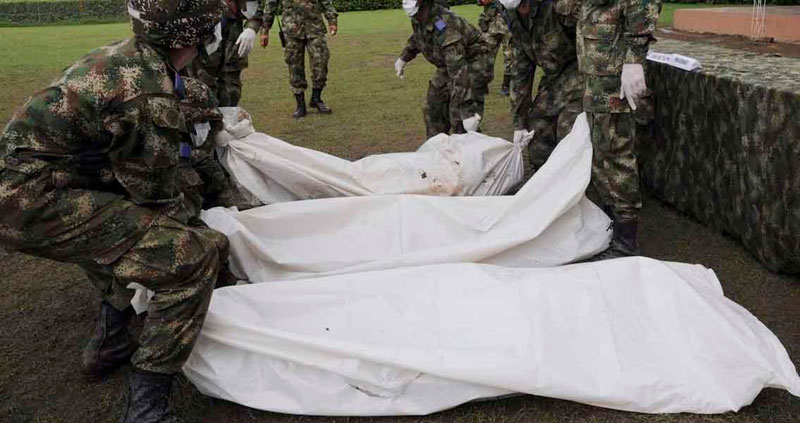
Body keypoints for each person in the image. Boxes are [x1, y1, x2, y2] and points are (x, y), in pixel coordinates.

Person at [0, 1, 232, 422]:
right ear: (191, 37)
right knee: (192, 257)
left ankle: (111, 343)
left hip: (38, 185)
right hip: (29, 200)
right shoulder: (149, 94)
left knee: (122, 237)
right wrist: (211, 242)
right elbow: (156, 198)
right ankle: (146, 410)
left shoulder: (127, 56)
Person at [576, 0, 660, 257]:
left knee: (616, 155)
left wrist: (634, 58)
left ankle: (626, 242)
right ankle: (612, 222)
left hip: (614, 80)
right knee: (601, 154)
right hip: (595, 78)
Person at [499, 0, 584, 173]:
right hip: (554, 78)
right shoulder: (511, 14)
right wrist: (519, 123)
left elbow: (593, 31)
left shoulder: (558, 5)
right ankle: (546, 179)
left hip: (580, 73)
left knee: (569, 130)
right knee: (537, 130)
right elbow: (521, 69)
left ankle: (577, 181)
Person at [395, 0, 494, 138]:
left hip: (474, 64)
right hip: (450, 63)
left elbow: (458, 70)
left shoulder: (446, 25)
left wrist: (467, 111)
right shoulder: (419, 17)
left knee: (460, 118)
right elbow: (419, 36)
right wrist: (404, 57)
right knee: (433, 108)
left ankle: (471, 145)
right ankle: (438, 147)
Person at [260, 0, 339, 118]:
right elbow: (270, 5)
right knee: (294, 67)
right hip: (292, 30)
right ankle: (300, 104)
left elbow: (326, 2)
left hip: (315, 28)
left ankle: (316, 98)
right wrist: (265, 30)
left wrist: (332, 20)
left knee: (321, 62)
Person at [186, 0, 266, 107]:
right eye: (238, 12)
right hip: (202, 66)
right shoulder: (203, 15)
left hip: (229, 53)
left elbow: (256, 10)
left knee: (229, 96)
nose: (239, 16)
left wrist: (251, 28)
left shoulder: (230, 15)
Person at [477, 0, 512, 95]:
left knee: (510, 56)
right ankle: (482, 84)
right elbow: (480, 2)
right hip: (490, 24)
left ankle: (506, 85)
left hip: (508, 24)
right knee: (485, 55)